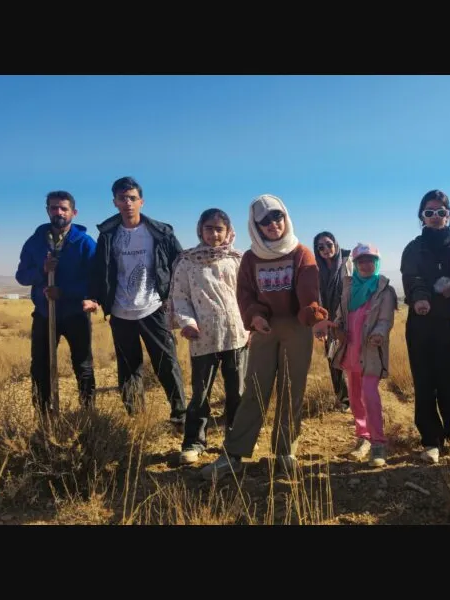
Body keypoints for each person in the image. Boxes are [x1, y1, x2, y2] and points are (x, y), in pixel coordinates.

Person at [200, 194, 328, 479]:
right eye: (265, 221)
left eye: (277, 217)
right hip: (263, 328)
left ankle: (285, 451)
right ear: (255, 225)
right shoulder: (251, 257)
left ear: (285, 216)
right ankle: (234, 454)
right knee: (256, 389)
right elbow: (244, 293)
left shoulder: (300, 253)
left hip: (297, 327)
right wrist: (255, 316)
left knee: (291, 389)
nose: (273, 224)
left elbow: (308, 292)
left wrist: (313, 316)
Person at [88, 176, 187, 427]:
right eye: (122, 198)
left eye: (132, 198)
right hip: (121, 312)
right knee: (128, 368)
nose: (128, 203)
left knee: (167, 363)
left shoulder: (161, 232)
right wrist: (96, 298)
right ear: (115, 202)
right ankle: (137, 420)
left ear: (141, 201)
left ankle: (180, 416)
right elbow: (101, 270)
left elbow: (180, 264)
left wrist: (175, 298)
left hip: (154, 307)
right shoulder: (108, 235)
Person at [168, 208, 250, 464]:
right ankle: (194, 442)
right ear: (200, 230)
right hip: (202, 337)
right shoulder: (188, 261)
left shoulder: (237, 259)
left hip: (236, 335)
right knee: (200, 393)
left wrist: (250, 327)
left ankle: (235, 443)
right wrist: (187, 322)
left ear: (227, 231)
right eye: (209, 228)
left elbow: (247, 296)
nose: (214, 234)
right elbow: (180, 297)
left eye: (219, 229)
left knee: (236, 391)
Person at [15, 190, 98, 415]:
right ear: (47, 211)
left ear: (74, 212)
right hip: (44, 313)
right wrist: (42, 272)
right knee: (40, 366)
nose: (58, 212)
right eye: (54, 208)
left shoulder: (85, 243)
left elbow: (96, 280)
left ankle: (88, 414)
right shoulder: (34, 243)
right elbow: (21, 276)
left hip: (75, 314)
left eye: (63, 208)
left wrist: (65, 293)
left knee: (83, 365)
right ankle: (44, 415)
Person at [316, 243, 397, 468]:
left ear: (377, 263)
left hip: (371, 351)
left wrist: (379, 334)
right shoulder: (349, 287)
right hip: (350, 349)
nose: (366, 265)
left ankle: (379, 443)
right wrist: (337, 326)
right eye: (361, 261)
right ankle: (363, 437)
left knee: (369, 394)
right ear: (355, 263)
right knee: (354, 396)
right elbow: (342, 313)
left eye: (370, 260)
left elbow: (385, 320)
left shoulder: (384, 289)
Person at [400, 189, 450, 464]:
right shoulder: (413, 248)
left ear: (449, 215)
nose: (435, 217)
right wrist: (420, 297)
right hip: (421, 324)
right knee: (425, 384)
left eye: (440, 212)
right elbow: (411, 278)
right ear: (421, 217)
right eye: (429, 212)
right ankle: (430, 441)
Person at [313, 231, 353, 411]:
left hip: (349, 319)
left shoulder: (348, 262)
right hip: (328, 322)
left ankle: (356, 397)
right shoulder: (316, 269)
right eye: (320, 247)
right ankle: (343, 400)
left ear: (336, 244)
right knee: (334, 360)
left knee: (352, 359)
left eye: (328, 244)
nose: (326, 249)